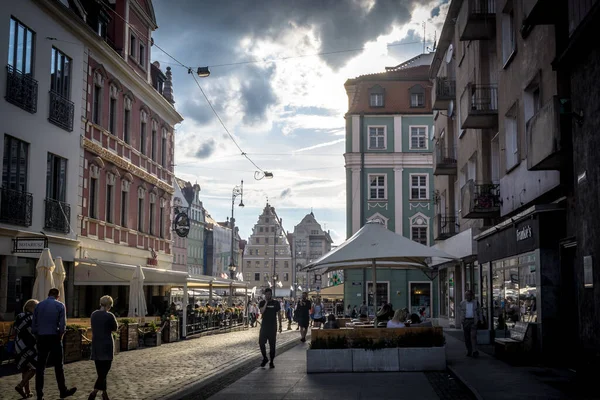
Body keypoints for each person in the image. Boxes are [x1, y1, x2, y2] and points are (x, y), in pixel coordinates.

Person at [32, 288, 77, 400]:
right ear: (58, 295)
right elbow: (62, 326)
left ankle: (39, 394)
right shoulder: (60, 305)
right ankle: (62, 390)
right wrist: (60, 337)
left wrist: (38, 336)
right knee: (58, 366)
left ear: (48, 294)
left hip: (41, 337)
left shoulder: (39, 305)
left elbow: (34, 326)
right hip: (54, 337)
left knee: (40, 367)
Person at [89, 295, 118, 400]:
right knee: (104, 372)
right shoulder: (109, 316)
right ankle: (94, 392)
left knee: (100, 371)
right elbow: (115, 328)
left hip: (96, 345)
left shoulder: (93, 314)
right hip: (106, 345)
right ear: (109, 305)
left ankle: (104, 394)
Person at [13, 299, 39, 398]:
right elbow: (35, 332)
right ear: (31, 307)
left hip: (19, 345)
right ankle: (21, 385)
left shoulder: (19, 316)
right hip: (29, 346)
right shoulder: (33, 318)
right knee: (36, 367)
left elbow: (16, 329)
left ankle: (27, 392)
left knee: (25, 368)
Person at [258, 288, 282, 368]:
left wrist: (280, 325)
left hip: (273, 327)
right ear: (265, 295)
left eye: (269, 294)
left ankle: (271, 361)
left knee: (272, 345)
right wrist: (266, 303)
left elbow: (279, 314)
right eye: (266, 294)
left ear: (271, 294)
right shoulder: (262, 302)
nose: (268, 295)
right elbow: (262, 311)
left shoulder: (276, 303)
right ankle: (265, 358)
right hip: (264, 326)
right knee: (261, 342)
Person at [459, 290, 483, 358]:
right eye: (466, 295)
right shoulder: (462, 303)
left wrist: (481, 320)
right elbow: (460, 311)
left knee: (473, 336)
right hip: (466, 321)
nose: (468, 296)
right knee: (467, 337)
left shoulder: (475, 302)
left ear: (471, 295)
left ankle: (475, 351)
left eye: (469, 295)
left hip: (473, 321)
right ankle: (469, 350)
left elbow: (479, 311)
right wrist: (461, 319)